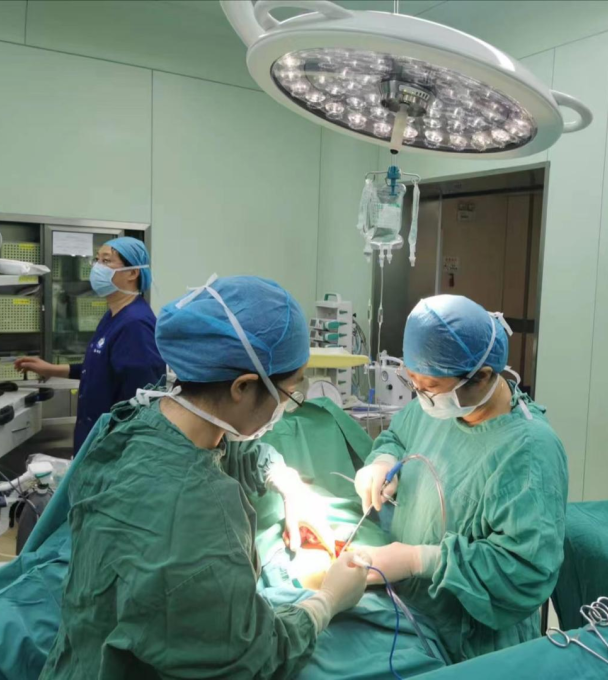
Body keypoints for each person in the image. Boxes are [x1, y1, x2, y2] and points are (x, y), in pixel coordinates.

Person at [39, 275, 370, 680]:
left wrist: (286, 482)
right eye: (289, 393)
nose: (288, 405)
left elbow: (229, 452)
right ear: (242, 387)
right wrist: (327, 601)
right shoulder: (198, 525)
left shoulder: (143, 421)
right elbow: (251, 658)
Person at [354, 295, 569, 663]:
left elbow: (524, 572)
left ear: (482, 376)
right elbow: (400, 434)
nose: (421, 396)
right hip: (413, 614)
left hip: (474, 645)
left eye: (430, 386)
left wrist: (420, 560)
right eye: (413, 382)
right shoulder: (435, 406)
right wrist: (383, 461)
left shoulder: (530, 452)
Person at [15, 237, 165, 452]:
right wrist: (50, 369)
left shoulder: (135, 324)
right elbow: (99, 368)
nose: (97, 267)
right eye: (96, 260)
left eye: (106, 261)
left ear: (132, 273)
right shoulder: (113, 316)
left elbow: (142, 401)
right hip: (96, 438)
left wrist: (121, 454)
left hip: (115, 447)